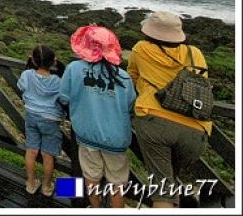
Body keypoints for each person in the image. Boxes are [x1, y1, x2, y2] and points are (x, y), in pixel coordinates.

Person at [127, 11, 212, 209]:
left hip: (154, 122)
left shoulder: (141, 49)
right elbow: (203, 85)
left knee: (163, 190)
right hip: (195, 129)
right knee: (170, 180)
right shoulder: (195, 53)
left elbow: (131, 77)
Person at [59, 26, 137, 208]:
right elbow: (131, 106)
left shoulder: (74, 68)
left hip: (86, 135)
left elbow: (64, 97)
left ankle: (94, 207)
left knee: (90, 176)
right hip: (117, 139)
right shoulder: (124, 77)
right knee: (118, 182)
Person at [17, 44, 63, 197]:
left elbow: (21, 86)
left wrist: (29, 65)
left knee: (31, 151)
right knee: (47, 154)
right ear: (53, 62)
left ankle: (31, 183)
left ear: (34, 61)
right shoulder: (57, 81)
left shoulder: (27, 75)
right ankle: (47, 186)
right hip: (50, 120)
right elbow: (63, 97)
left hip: (31, 116)